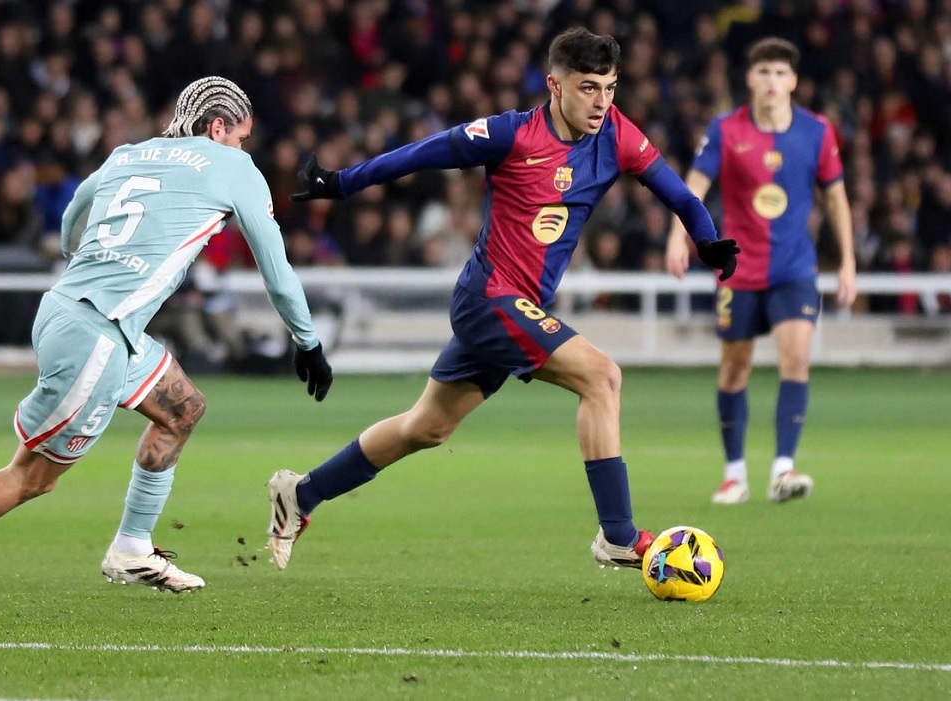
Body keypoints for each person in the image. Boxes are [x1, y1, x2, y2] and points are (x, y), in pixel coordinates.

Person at [265, 28, 739, 571]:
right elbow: (424, 153)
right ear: (555, 85)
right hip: (490, 298)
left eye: (610, 88)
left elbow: (680, 194)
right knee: (602, 377)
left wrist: (707, 239)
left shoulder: (617, 135)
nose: (602, 102)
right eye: (589, 88)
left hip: (518, 306)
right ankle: (617, 535)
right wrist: (342, 183)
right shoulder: (512, 134)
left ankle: (299, 494)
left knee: (426, 428)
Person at [0, 76, 333, 598]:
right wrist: (307, 341)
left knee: (182, 410)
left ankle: (132, 547)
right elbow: (277, 269)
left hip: (79, 313)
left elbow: (69, 220)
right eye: (242, 136)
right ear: (218, 127)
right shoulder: (234, 167)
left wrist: (86, 265)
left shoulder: (129, 153)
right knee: (32, 477)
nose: (245, 147)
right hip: (97, 338)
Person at [665, 38, 857, 505]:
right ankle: (734, 474)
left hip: (795, 269)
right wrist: (677, 237)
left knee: (796, 359)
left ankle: (782, 471)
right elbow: (694, 186)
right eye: (763, 72)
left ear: (793, 81)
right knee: (735, 369)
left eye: (780, 73)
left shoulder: (816, 132)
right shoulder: (727, 130)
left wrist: (849, 262)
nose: (772, 81)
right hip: (740, 269)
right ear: (750, 78)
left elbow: (835, 196)